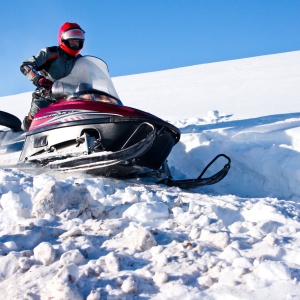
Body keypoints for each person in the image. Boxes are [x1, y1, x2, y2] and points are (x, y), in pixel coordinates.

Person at [20, 22, 85, 131]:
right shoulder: (50, 53)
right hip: (46, 97)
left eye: (78, 39)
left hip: (70, 99)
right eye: (72, 38)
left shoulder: (81, 61)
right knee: (34, 121)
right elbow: (26, 66)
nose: (76, 42)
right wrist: (37, 78)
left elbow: (89, 77)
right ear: (63, 38)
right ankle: (21, 137)